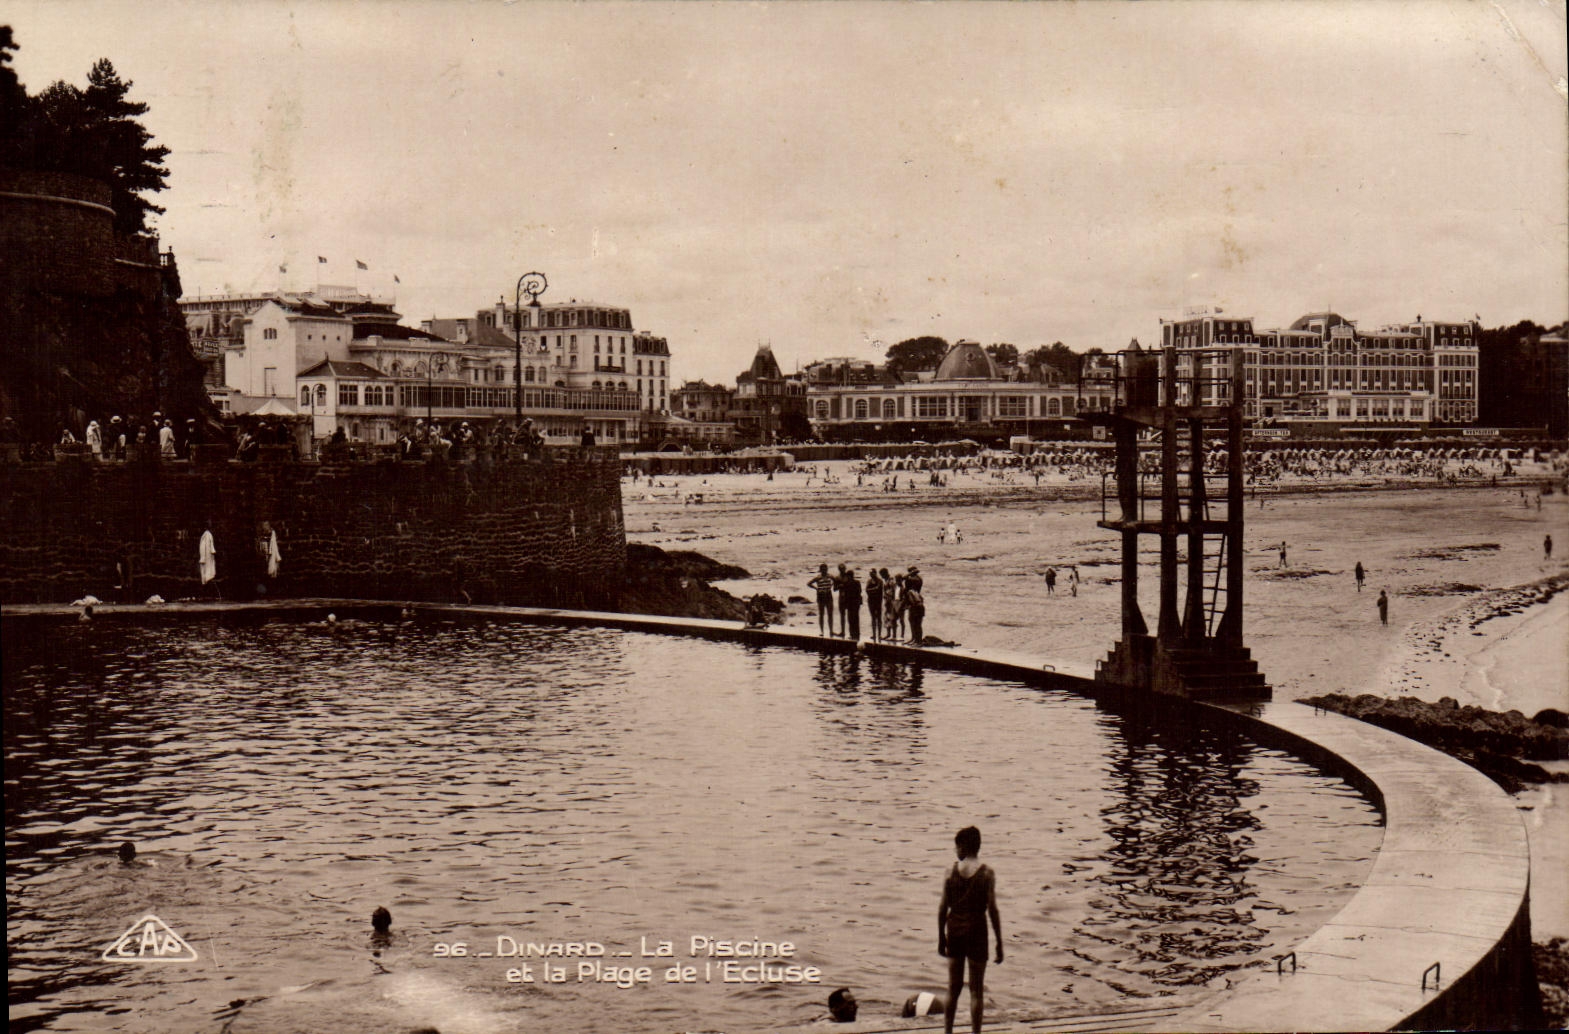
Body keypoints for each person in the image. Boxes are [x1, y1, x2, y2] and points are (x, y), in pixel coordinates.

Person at [938, 825, 1002, 1034]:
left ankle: (948, 1031)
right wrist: (999, 942)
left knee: (953, 988)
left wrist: (941, 937)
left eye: (956, 847)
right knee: (976, 991)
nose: (956, 851)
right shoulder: (987, 873)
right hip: (977, 931)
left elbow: (942, 908)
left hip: (954, 929)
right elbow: (992, 909)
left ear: (963, 846)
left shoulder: (950, 872)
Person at [809, 564, 837, 636]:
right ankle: (822, 631)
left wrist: (832, 586)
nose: (824, 570)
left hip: (828, 595)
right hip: (821, 596)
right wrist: (816, 588)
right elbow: (809, 583)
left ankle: (831, 630)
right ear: (821, 570)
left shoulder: (830, 576)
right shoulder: (818, 577)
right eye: (823, 569)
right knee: (821, 614)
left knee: (830, 614)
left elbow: (836, 580)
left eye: (825, 569)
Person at [905, 566, 925, 644]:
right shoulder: (918, 579)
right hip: (915, 601)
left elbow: (903, 578)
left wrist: (910, 574)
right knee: (912, 621)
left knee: (915, 623)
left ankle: (916, 640)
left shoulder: (916, 579)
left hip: (914, 603)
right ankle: (914, 638)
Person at [841, 568, 863, 641]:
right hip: (855, 603)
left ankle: (853, 634)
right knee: (854, 619)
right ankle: (855, 634)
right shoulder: (857, 582)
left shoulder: (847, 583)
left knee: (851, 619)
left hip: (852, 603)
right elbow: (859, 591)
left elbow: (845, 594)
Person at [866, 568, 884, 642]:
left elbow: (878, 589)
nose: (871, 574)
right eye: (870, 573)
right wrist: (874, 590)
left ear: (875, 573)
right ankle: (874, 634)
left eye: (872, 573)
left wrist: (872, 590)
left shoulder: (880, 581)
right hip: (871, 601)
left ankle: (879, 634)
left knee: (879, 618)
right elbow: (867, 590)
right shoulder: (869, 581)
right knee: (873, 618)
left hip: (878, 601)